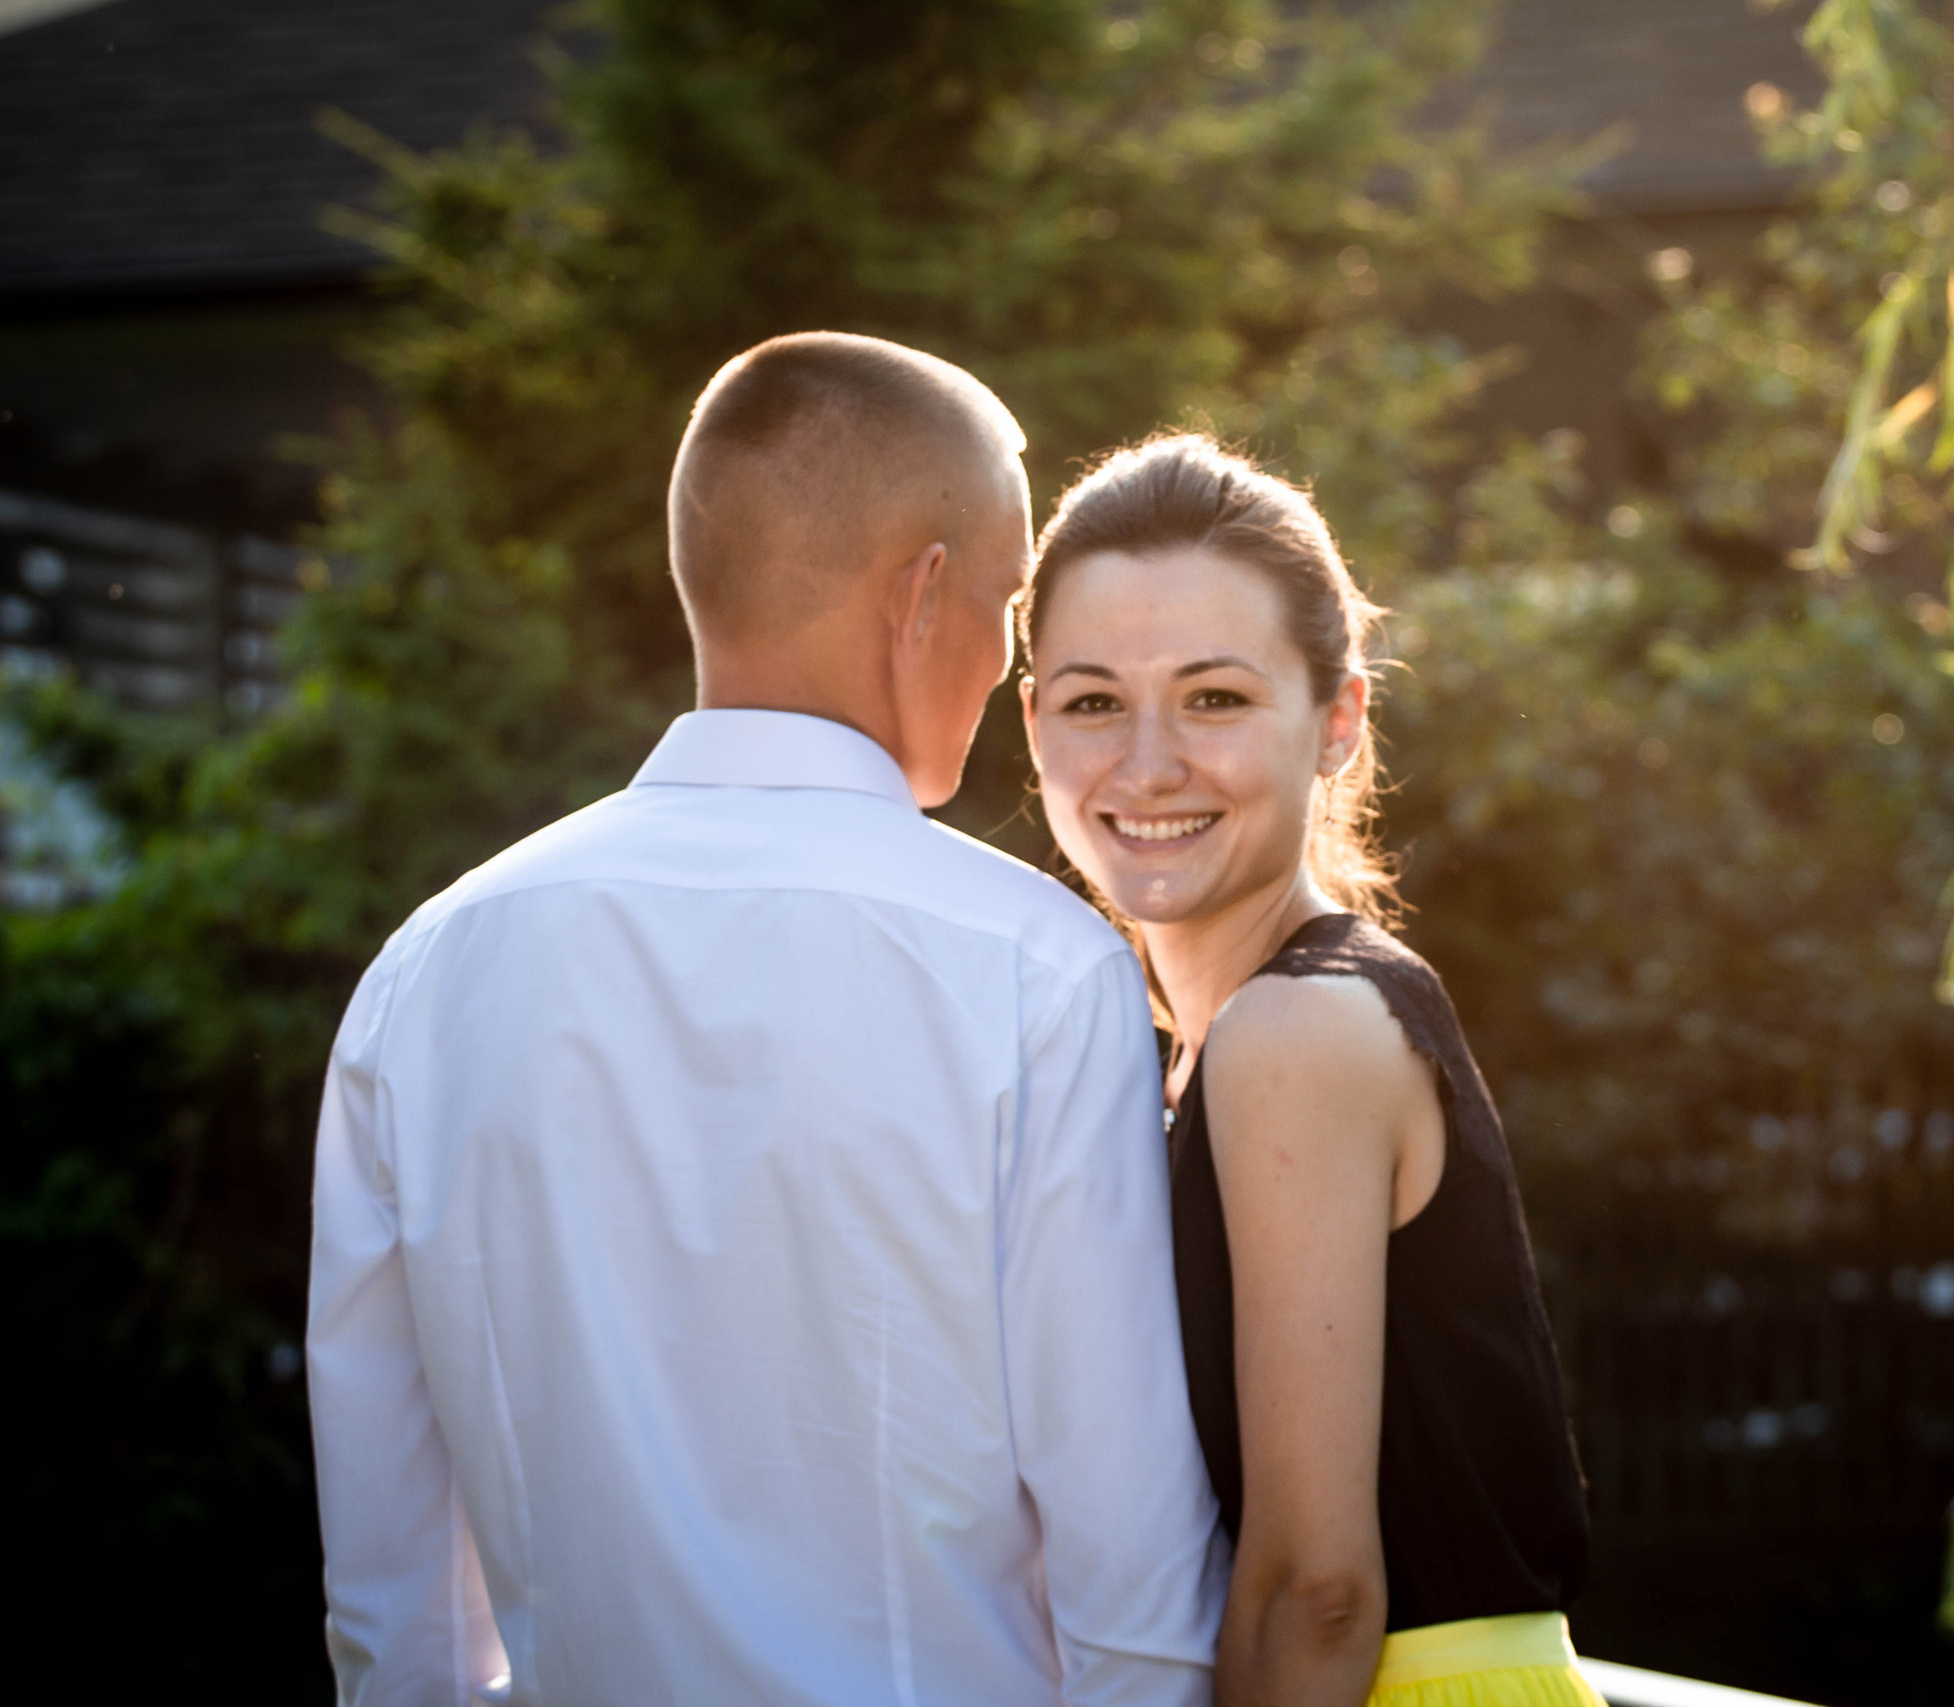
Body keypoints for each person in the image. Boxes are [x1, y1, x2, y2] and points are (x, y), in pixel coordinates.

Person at [305, 334, 1227, 1707]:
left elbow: (396, 1611)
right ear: (924, 594)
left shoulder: (427, 971)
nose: (1008, 665)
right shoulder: (1039, 969)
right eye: (1009, 603)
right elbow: (1136, 1592)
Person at [1018, 435, 1595, 1707]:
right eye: (1094, 699)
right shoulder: (1189, 1051)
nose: (1148, 762)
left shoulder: (1296, 1033)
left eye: (1215, 697)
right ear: (1033, 724)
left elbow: (1316, 1593)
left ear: (1338, 723)